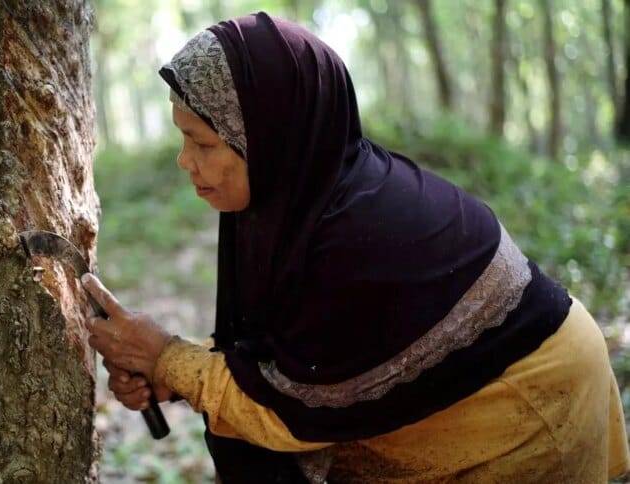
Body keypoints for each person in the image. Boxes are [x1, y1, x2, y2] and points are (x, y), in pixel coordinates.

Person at [82, 12, 630, 483]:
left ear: (270, 140)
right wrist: (168, 367)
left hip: (529, 406)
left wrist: (169, 360)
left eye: (202, 142)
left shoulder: (360, 235)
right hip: (465, 394)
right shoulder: (293, 207)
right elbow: (303, 349)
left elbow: (294, 410)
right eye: (183, 138)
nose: (185, 161)